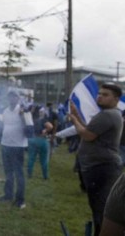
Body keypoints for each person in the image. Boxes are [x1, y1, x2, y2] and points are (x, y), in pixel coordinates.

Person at [68, 83, 123, 236]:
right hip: (101, 166)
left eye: (105, 95)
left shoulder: (107, 114)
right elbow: (90, 128)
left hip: (101, 167)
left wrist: (74, 119)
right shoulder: (110, 114)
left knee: (101, 208)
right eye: (99, 93)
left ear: (116, 99)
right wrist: (77, 114)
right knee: (99, 207)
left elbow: (87, 135)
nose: (100, 96)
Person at [0, 91, 28, 209]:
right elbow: (4, 125)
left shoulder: (22, 111)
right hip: (5, 144)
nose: (11, 99)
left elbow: (28, 126)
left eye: (14, 97)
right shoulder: (5, 111)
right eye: (9, 97)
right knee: (8, 172)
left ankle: (20, 200)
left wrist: (22, 116)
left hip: (17, 146)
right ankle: (8, 194)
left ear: (18, 98)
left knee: (18, 173)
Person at [26, 105, 53, 180]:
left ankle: (29, 174)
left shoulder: (30, 119)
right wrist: (45, 131)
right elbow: (50, 126)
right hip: (42, 140)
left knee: (31, 158)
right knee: (44, 160)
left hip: (32, 139)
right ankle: (45, 176)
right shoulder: (42, 119)